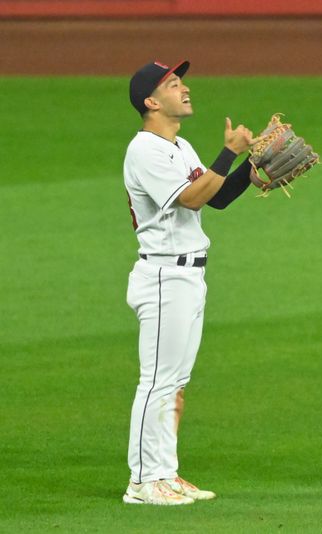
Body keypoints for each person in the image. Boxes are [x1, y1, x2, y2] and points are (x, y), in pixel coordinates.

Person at [123, 60, 262, 505]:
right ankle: (142, 482)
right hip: (164, 274)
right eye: (173, 84)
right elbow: (190, 196)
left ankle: (165, 472)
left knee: (174, 383)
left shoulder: (179, 146)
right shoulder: (144, 148)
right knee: (157, 382)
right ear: (151, 101)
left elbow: (214, 197)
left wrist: (248, 173)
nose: (184, 89)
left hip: (188, 275)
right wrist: (231, 152)